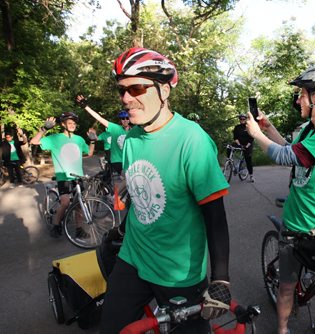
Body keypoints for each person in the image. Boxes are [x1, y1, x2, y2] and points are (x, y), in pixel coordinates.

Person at [100, 47, 231, 333]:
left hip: (178, 273)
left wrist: (221, 278)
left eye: (136, 88)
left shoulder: (192, 141)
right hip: (133, 258)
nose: (126, 98)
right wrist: (122, 229)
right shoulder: (131, 138)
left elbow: (215, 217)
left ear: (164, 91)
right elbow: (141, 193)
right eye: (122, 90)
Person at [246, 65, 315, 334]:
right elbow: (290, 149)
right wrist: (268, 129)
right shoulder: (309, 129)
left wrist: (255, 135)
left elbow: (284, 157)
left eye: (301, 95)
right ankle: (283, 330)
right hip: (295, 225)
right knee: (287, 285)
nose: (297, 100)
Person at [30, 112, 95, 237]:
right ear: (63, 124)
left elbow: (90, 153)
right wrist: (44, 129)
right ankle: (56, 225)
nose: (72, 125)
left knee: (79, 205)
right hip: (63, 176)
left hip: (78, 177)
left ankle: (79, 229)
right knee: (65, 203)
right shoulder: (55, 138)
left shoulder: (79, 139)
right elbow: (34, 141)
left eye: (74, 123)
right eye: (69, 123)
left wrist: (92, 141)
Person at [76, 94, 131, 178]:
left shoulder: (134, 131)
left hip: (129, 161)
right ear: (120, 120)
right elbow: (99, 118)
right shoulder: (115, 128)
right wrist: (86, 106)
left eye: (127, 118)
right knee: (119, 184)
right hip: (117, 161)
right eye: (123, 118)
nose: (125, 120)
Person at [233, 114, 255, 182]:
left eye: (243, 119)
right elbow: (235, 137)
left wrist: (246, 146)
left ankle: (251, 176)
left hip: (248, 144)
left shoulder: (248, 127)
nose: (242, 120)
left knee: (248, 159)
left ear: (246, 119)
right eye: (240, 119)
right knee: (229, 147)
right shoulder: (237, 127)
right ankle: (229, 161)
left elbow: (251, 138)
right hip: (239, 143)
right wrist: (239, 145)